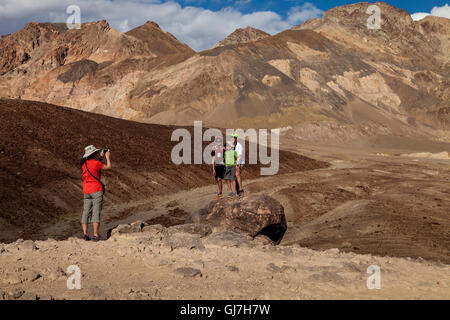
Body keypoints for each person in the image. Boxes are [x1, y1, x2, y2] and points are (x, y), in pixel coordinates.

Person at [80, 145, 112, 241]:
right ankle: (95, 235)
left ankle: (85, 234)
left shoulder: (84, 164)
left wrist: (101, 157)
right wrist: (107, 156)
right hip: (96, 190)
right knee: (96, 212)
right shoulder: (96, 163)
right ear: (93, 154)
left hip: (86, 190)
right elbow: (109, 167)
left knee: (86, 212)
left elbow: (94, 166)